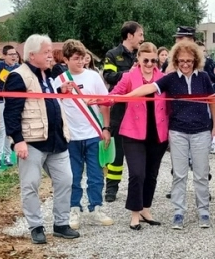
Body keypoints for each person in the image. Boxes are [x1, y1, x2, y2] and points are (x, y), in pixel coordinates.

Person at [122, 40, 215, 229]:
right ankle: (178, 212)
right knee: (179, 175)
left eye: (189, 61)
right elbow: (148, 89)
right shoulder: (171, 78)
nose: (185, 64)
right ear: (175, 60)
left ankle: (204, 211)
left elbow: (213, 101)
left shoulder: (205, 77)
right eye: (181, 60)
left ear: (196, 60)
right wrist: (123, 97)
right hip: (178, 132)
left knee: (201, 174)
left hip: (201, 131)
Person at [3, 34, 80, 244]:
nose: (50, 56)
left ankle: (61, 224)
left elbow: (43, 98)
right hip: (32, 142)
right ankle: (36, 226)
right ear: (32, 54)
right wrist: (18, 140)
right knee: (31, 185)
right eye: (46, 52)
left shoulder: (49, 76)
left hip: (57, 140)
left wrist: (59, 90)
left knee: (66, 180)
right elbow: (11, 112)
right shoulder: (18, 76)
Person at [53, 39, 114, 230]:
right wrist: (60, 92)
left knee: (96, 174)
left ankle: (96, 207)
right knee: (73, 176)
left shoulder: (93, 77)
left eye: (82, 58)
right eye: (76, 59)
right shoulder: (59, 81)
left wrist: (106, 128)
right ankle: (74, 208)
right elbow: (54, 107)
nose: (80, 62)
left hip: (93, 133)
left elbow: (105, 102)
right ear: (66, 59)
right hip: (71, 136)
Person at [108, 42, 169, 230]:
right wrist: (99, 100)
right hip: (133, 132)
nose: (150, 64)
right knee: (137, 173)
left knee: (151, 174)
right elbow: (115, 95)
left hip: (157, 133)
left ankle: (145, 208)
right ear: (139, 60)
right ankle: (134, 213)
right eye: (146, 60)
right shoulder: (129, 77)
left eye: (153, 60)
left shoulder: (164, 78)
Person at [102, 21, 144, 202]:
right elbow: (108, 76)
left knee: (138, 152)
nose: (143, 38)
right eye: (140, 35)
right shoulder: (113, 55)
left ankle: (138, 189)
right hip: (119, 109)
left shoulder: (142, 55)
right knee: (117, 152)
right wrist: (130, 73)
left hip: (138, 109)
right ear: (130, 36)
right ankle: (111, 189)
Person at [0, 45, 19, 170]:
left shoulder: (19, 68)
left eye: (15, 54)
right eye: (11, 54)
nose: (14, 56)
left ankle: (8, 156)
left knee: (9, 130)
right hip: (1, 102)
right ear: (4, 56)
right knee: (0, 129)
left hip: (13, 103)